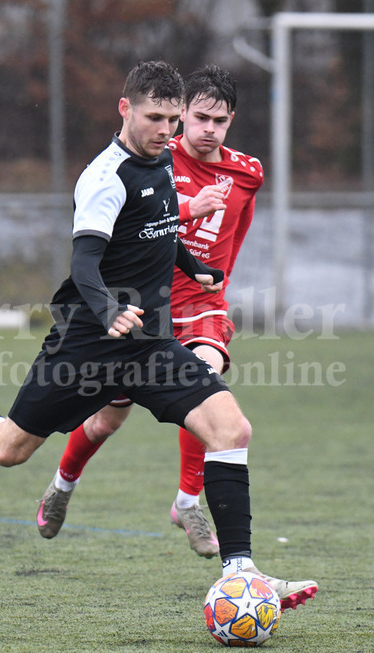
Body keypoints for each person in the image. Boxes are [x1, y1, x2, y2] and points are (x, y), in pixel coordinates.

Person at [0, 60, 317, 612]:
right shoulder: (104, 177)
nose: (167, 130)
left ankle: (242, 573)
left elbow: (155, 232)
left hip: (151, 342)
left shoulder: (161, 162)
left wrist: (193, 266)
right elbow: (85, 261)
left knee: (231, 428)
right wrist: (108, 308)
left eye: (173, 119)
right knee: (10, 449)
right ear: (124, 108)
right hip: (89, 342)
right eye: (155, 117)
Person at [36, 65, 262, 560]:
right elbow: (131, 223)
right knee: (105, 422)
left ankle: (187, 503)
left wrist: (212, 274)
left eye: (218, 121)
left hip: (201, 306)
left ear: (231, 122)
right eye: (198, 118)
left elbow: (234, 234)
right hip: (146, 306)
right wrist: (188, 210)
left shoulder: (248, 172)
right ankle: (62, 485)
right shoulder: (155, 156)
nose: (206, 129)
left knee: (206, 379)